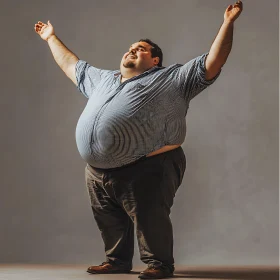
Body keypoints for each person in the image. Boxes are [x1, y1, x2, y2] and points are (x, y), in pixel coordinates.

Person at [34, 1, 243, 279]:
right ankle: (117, 261)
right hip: (98, 171)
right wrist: (50, 38)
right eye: (131, 47)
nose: (132, 49)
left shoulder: (172, 78)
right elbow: (72, 65)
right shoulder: (104, 79)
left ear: (155, 60)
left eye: (141, 48)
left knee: (149, 216)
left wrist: (228, 23)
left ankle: (159, 264)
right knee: (108, 219)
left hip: (150, 164)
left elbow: (213, 62)